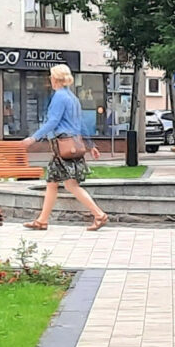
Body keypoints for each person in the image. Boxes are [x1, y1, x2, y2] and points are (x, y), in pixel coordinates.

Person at [25, 63, 107, 231]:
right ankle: (42, 220)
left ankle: (99, 214)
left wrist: (34, 137)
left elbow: (53, 121)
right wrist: (90, 145)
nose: (50, 79)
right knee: (52, 182)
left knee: (70, 185)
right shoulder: (72, 98)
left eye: (51, 76)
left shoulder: (59, 97)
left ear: (55, 79)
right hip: (72, 145)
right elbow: (81, 124)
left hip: (63, 146)